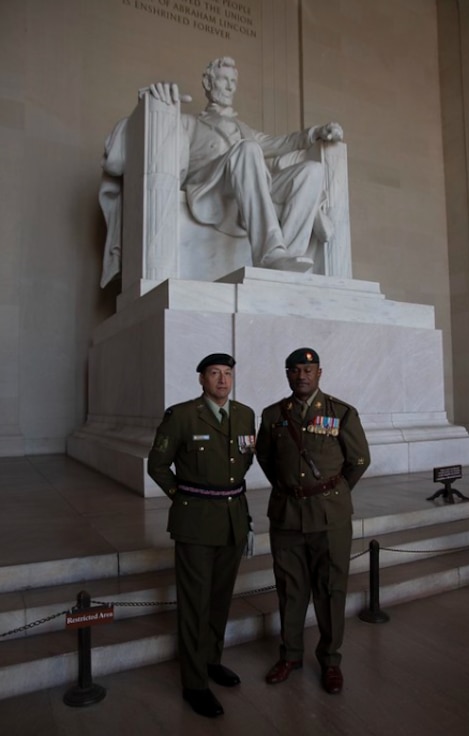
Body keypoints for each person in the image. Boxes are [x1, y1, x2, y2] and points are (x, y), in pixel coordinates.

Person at [100, 56, 343, 286]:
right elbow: (123, 149)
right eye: (224, 80)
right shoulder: (188, 122)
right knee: (248, 150)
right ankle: (270, 253)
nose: (230, 87)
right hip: (210, 187)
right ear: (208, 82)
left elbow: (283, 143)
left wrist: (315, 133)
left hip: (249, 187)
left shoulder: (245, 129)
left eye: (233, 82)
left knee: (312, 171)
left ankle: (285, 261)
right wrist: (154, 99)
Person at [255, 347, 370, 694]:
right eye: (295, 370)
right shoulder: (273, 414)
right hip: (287, 515)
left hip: (330, 517)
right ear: (287, 374)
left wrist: (329, 493)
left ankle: (330, 660)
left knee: (331, 589)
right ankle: (290, 655)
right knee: (290, 589)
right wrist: (291, 489)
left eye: (308, 369)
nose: (302, 375)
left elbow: (359, 460)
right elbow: (265, 457)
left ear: (319, 373)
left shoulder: (341, 413)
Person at [147, 353, 255, 718]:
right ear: (201, 380)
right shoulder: (181, 416)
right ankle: (194, 684)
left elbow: (244, 460)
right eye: (214, 374)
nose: (223, 380)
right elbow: (158, 465)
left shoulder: (244, 415)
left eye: (227, 374)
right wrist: (185, 497)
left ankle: (211, 660)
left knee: (220, 598)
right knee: (195, 602)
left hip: (233, 520)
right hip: (195, 522)